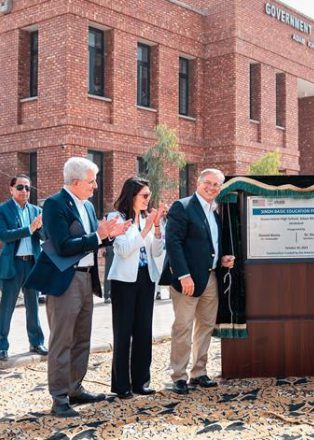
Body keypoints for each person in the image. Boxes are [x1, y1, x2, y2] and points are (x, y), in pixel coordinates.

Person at [23, 157, 130, 418]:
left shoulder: (90, 208)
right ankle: (59, 398)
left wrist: (111, 236)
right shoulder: (54, 204)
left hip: (86, 277)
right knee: (62, 340)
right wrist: (98, 236)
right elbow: (62, 245)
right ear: (75, 182)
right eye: (92, 181)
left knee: (82, 338)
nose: (95, 186)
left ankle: (75, 388)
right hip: (64, 279)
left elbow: (91, 242)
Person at [160, 168, 235, 395]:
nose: (212, 188)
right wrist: (183, 275)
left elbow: (209, 244)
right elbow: (173, 243)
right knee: (183, 327)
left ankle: (199, 373)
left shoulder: (215, 213)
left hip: (211, 277)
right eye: (208, 183)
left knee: (205, 327)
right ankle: (179, 376)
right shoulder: (182, 207)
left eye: (216, 185)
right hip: (187, 280)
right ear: (198, 183)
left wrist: (222, 258)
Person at [107, 177, 167, 399]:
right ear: (131, 195)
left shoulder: (147, 218)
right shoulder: (116, 218)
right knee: (123, 332)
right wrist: (146, 229)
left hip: (146, 278)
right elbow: (123, 250)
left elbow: (158, 251)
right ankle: (121, 385)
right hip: (124, 281)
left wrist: (157, 226)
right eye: (144, 195)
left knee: (144, 330)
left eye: (149, 196)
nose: (147, 199)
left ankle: (141, 381)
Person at [0, 175, 47, 361]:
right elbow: (4, 235)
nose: (24, 191)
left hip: (32, 263)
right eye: (20, 187)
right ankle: (1, 346)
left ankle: (36, 342)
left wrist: (43, 228)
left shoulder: (36, 210)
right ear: (11, 189)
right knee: (6, 307)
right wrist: (29, 229)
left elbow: (43, 236)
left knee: (33, 306)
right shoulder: (2, 209)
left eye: (27, 188)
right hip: (13, 265)